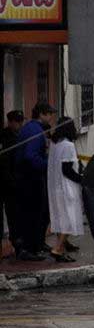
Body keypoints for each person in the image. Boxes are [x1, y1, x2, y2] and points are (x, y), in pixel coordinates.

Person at [15, 102, 56, 261]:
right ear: (42, 114)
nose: (52, 117)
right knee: (33, 214)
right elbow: (30, 156)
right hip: (29, 178)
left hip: (29, 177)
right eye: (49, 114)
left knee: (41, 212)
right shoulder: (34, 130)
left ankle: (38, 243)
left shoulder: (33, 128)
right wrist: (49, 165)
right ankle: (28, 248)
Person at [46, 117, 83, 263]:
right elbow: (67, 170)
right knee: (69, 219)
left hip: (56, 188)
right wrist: (82, 179)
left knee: (61, 219)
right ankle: (57, 249)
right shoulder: (68, 146)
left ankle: (61, 247)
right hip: (67, 188)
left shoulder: (55, 144)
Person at [0, 110, 24, 257]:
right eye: (18, 122)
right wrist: (13, 182)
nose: (20, 125)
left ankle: (18, 244)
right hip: (8, 184)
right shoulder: (6, 138)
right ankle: (17, 244)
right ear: (11, 122)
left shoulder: (17, 136)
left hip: (14, 182)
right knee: (13, 215)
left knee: (16, 215)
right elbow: (5, 165)